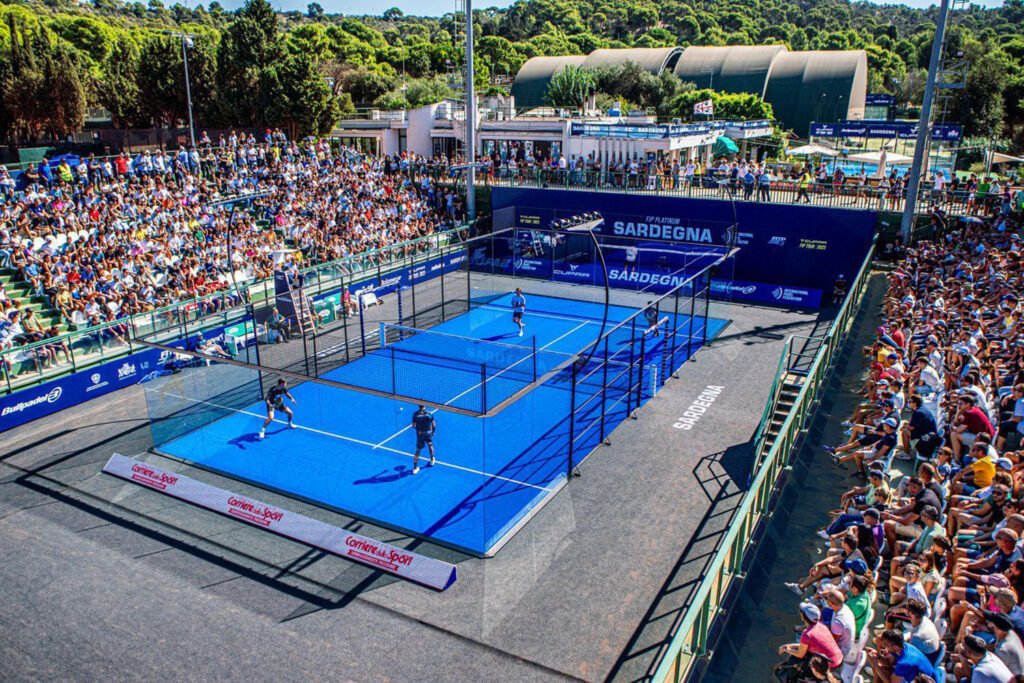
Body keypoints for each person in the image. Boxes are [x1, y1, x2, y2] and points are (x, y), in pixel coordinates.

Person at [411, 404, 436, 474]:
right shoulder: (429, 414)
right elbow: (434, 425)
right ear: (425, 405)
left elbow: (413, 425)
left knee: (418, 450)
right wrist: (433, 432)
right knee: (430, 445)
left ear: (418, 406)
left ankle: (415, 468)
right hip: (428, 433)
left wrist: (419, 429)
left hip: (420, 435)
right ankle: (432, 459)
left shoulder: (415, 414)